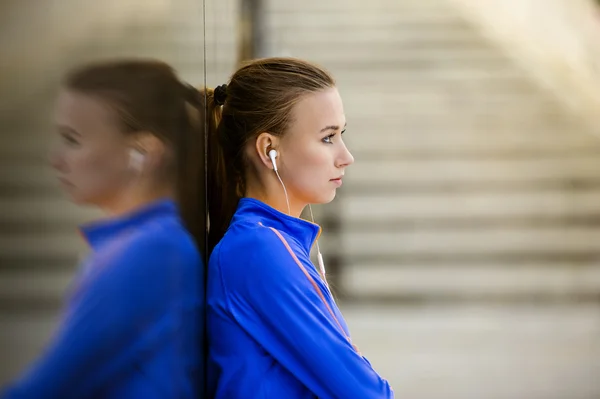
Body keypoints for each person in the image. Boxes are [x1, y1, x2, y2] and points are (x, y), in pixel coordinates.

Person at [1, 59, 206, 398]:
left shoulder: (151, 250)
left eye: (72, 139)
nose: (56, 158)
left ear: (143, 151)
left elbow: (50, 388)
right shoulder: (150, 243)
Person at [205, 57, 394, 398]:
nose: (346, 156)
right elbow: (367, 393)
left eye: (342, 134)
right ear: (269, 150)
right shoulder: (260, 250)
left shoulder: (272, 243)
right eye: (327, 138)